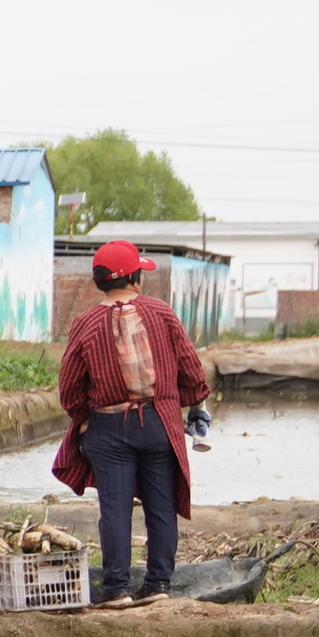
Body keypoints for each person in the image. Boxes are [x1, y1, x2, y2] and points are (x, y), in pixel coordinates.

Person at [50, 241, 212, 603]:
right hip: (159, 424)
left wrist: (83, 419)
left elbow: (70, 386)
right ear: (135, 278)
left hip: (108, 429)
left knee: (115, 508)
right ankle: (158, 585)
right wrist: (190, 402)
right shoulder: (161, 312)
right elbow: (192, 370)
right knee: (161, 504)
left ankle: (117, 589)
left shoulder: (86, 323)